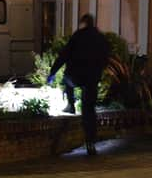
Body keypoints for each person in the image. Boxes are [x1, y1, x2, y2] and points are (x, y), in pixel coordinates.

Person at [47, 14, 110, 155]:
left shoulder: (78, 36)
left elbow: (64, 55)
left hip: (76, 76)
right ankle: (90, 142)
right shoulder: (100, 38)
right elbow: (106, 57)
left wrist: (52, 73)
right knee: (89, 110)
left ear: (83, 23)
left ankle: (70, 105)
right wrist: (98, 70)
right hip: (92, 78)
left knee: (66, 80)